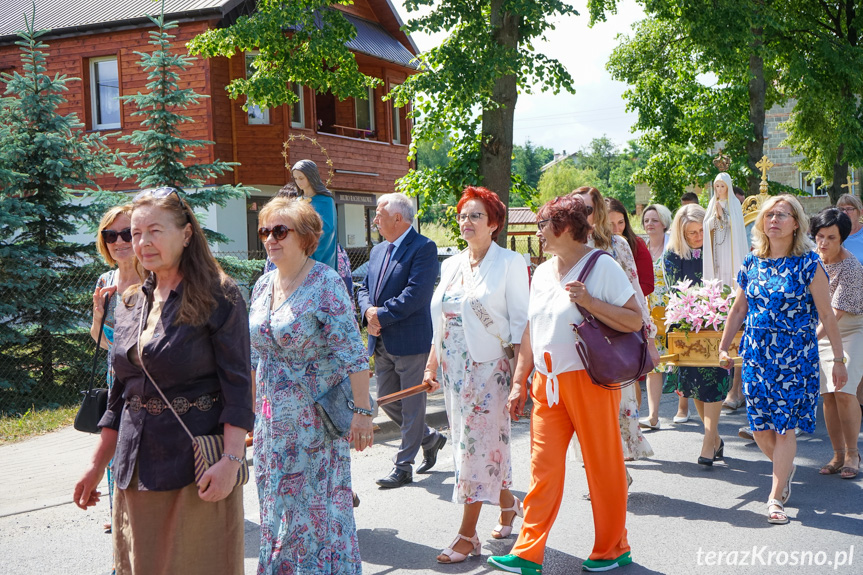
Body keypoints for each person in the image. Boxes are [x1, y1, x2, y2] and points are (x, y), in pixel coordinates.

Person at [73, 187, 254, 574]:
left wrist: (231, 460)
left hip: (195, 468)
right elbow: (120, 395)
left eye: (154, 231)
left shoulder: (219, 295)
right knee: (140, 565)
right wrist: (95, 465)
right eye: (136, 233)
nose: (142, 243)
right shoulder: (131, 301)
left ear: (186, 233)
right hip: (135, 465)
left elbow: (239, 386)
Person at [487, 195, 642, 574]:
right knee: (543, 469)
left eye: (542, 225)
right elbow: (530, 330)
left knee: (602, 467)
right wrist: (520, 381)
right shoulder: (540, 272)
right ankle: (527, 553)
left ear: (565, 227)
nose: (538, 232)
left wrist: (589, 302)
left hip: (588, 380)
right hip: (547, 383)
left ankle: (613, 547)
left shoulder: (601, 266)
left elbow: (635, 320)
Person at [249, 197, 372, 572]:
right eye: (265, 231)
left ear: (305, 237)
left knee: (315, 513)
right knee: (276, 505)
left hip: (313, 424)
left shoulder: (325, 282)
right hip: (271, 425)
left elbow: (354, 353)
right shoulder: (262, 284)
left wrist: (363, 414)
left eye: (280, 231)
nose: (271, 238)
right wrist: (251, 412)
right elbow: (256, 356)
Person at [719, 195, 847, 525]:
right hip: (757, 357)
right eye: (769, 214)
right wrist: (723, 346)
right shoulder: (752, 262)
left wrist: (838, 359)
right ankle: (785, 468)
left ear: (796, 224)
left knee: (785, 427)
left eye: (783, 215)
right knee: (761, 429)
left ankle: (774, 497)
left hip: (794, 359)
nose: (774, 219)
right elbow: (738, 310)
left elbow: (827, 315)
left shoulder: (808, 264)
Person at [422, 187, 529, 563]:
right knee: (473, 446)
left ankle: (468, 536)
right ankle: (509, 503)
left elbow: (520, 324)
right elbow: (443, 319)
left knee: (473, 449)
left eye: (476, 216)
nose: (467, 222)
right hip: (454, 372)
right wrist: (432, 365)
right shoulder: (450, 263)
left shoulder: (510, 263)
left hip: (489, 372)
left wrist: (521, 378)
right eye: (463, 215)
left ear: (495, 222)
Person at [357, 192, 446, 488]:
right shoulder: (377, 250)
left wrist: (380, 315)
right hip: (381, 341)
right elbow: (362, 288)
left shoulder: (423, 248)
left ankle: (403, 465)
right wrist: (369, 311)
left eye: (379, 215)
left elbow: (416, 294)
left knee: (411, 405)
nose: (375, 221)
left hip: (410, 341)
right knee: (387, 402)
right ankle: (430, 439)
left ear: (398, 217)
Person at [572, 187, 653, 462]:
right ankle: (605, 473)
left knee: (615, 409)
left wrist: (649, 336)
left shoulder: (617, 244)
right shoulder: (565, 243)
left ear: (599, 212)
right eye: (574, 208)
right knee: (586, 415)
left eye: (587, 209)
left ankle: (615, 473)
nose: (581, 215)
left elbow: (635, 290)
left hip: (613, 335)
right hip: (576, 339)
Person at [662, 204, 730, 466]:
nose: (697, 236)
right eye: (691, 233)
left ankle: (708, 442)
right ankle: (715, 439)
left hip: (717, 322)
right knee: (696, 387)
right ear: (681, 234)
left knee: (714, 383)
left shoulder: (718, 248)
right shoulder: (673, 255)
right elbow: (675, 292)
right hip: (687, 325)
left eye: (701, 230)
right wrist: (689, 316)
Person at [90, 205, 142, 541]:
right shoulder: (105, 281)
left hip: (147, 379)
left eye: (126, 233)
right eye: (111, 235)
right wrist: (98, 315)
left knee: (140, 445)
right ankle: (117, 512)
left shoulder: (152, 275)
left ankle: (141, 510)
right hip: (115, 377)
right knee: (114, 447)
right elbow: (99, 340)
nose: (119, 242)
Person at [810, 208, 862, 480]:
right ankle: (837, 454)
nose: (824, 243)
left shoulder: (852, 266)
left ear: (842, 238)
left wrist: (805, 342)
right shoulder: (810, 261)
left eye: (831, 237)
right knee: (828, 395)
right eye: (820, 236)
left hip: (852, 329)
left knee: (844, 390)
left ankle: (853, 453)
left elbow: (835, 315)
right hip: (820, 330)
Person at [639, 204, 689, 428]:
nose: (650, 224)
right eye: (647, 220)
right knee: (653, 364)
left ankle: (683, 407)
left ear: (665, 223)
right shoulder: (640, 247)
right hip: (648, 314)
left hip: (673, 313)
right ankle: (653, 415)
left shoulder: (674, 246)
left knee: (679, 361)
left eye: (655, 220)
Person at [704, 173, 748, 411]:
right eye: (716, 186)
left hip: (731, 257)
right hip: (717, 255)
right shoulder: (712, 205)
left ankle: (737, 388)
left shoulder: (734, 206)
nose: (719, 189)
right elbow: (707, 227)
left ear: (728, 187)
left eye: (722, 185)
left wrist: (726, 217)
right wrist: (714, 219)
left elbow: (738, 231)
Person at [836, 194, 863, 409]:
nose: (845, 212)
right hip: (834, 305)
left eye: (850, 209)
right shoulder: (834, 237)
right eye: (841, 209)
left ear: (859, 212)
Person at [291, 160, 337, 270]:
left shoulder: (325, 200)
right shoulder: (296, 201)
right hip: (296, 252)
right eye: (296, 178)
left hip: (316, 252)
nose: (298, 182)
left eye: (301, 178)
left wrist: (306, 240)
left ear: (311, 176)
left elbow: (327, 229)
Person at [606, 197, 653, 297]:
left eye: (620, 222)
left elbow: (648, 285)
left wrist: (623, 298)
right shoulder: (593, 245)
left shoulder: (637, 244)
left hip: (631, 306)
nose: (617, 229)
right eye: (610, 224)